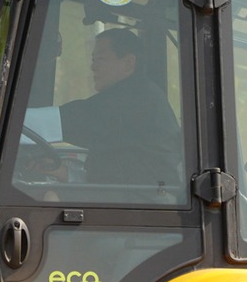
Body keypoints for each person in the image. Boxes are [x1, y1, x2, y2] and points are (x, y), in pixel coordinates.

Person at [56, 27, 183, 193]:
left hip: (147, 206)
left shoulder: (136, 97)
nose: (93, 67)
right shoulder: (132, 96)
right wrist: (59, 172)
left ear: (129, 63)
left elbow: (72, 120)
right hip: (134, 199)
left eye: (100, 59)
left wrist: (17, 122)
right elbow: (112, 180)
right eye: (93, 60)